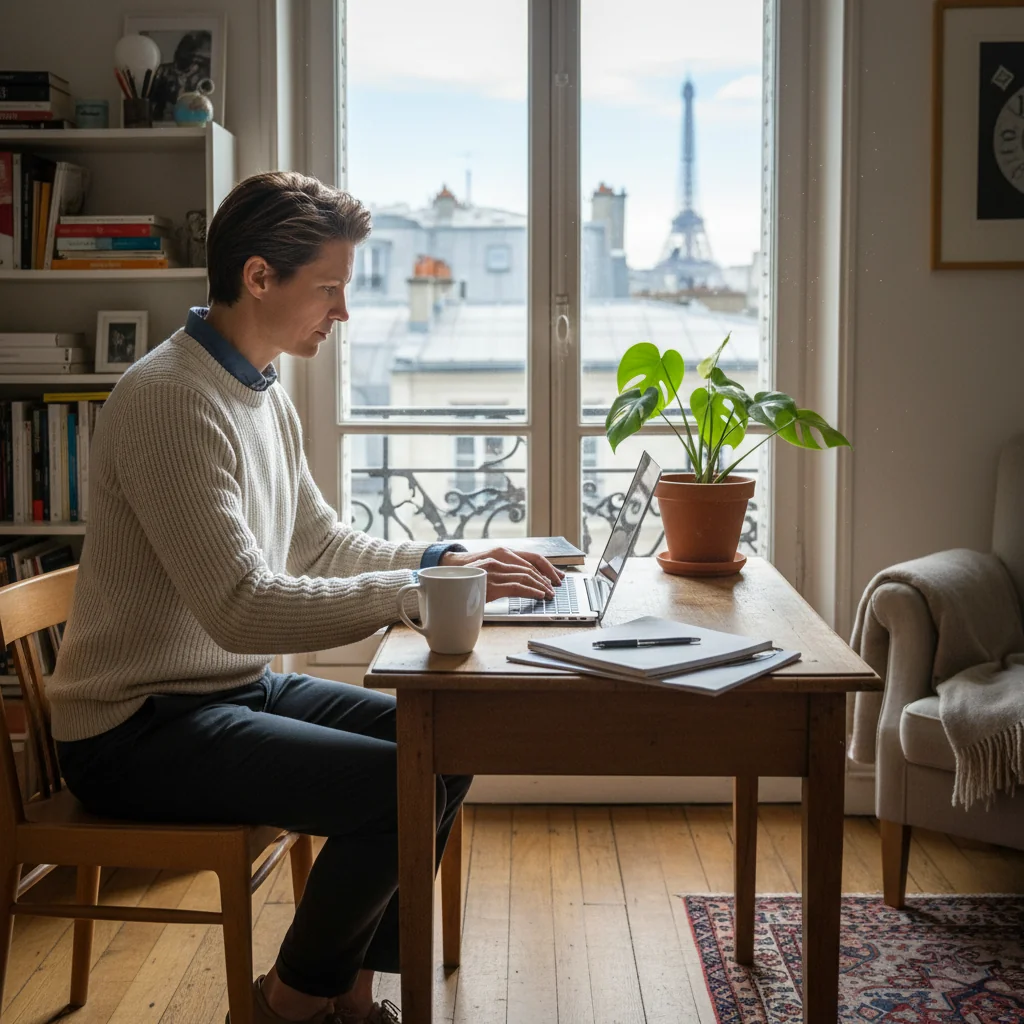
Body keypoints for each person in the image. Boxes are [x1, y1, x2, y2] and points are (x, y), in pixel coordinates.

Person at [49, 171, 564, 1024]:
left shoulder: (255, 387)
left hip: (224, 692)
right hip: (133, 726)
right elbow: (242, 606)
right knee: (387, 786)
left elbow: (318, 543)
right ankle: (291, 1009)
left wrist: (448, 557)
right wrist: (410, 592)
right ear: (260, 278)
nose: (343, 312)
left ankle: (349, 998)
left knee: (445, 738)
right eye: (329, 289)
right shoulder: (171, 398)